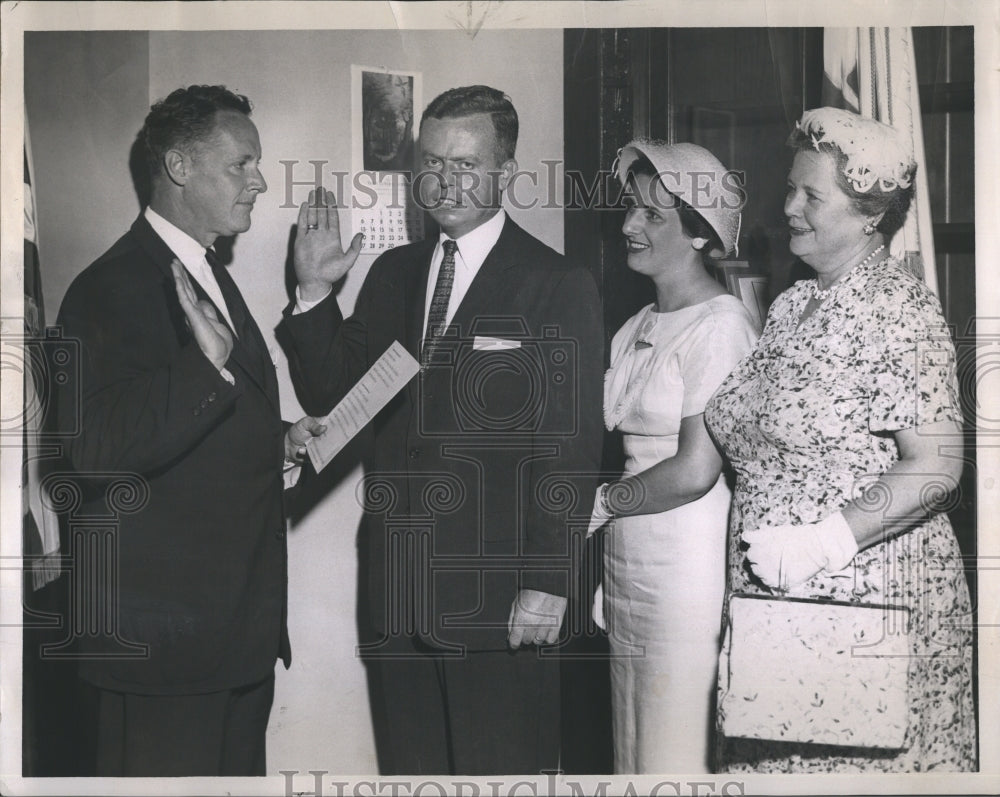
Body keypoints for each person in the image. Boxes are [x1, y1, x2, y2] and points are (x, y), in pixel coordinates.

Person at [279, 85, 604, 775]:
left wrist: (550, 577)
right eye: (430, 161)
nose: (443, 180)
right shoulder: (393, 273)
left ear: (505, 173)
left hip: (501, 598)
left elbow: (568, 447)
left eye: (465, 163)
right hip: (398, 593)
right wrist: (312, 295)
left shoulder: (557, 281)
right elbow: (333, 396)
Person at [55, 85, 325, 776]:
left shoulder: (205, 270)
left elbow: (203, 431)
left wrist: (280, 437)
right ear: (178, 167)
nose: (261, 180)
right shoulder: (108, 286)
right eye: (242, 164)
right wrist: (203, 370)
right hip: (162, 656)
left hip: (231, 641)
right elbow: (95, 448)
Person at [704, 107, 976, 772]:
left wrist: (820, 540)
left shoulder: (897, 308)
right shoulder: (793, 304)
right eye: (790, 188)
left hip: (864, 605)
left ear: (869, 213)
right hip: (784, 606)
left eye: (811, 195)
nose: (789, 205)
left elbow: (938, 464)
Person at [587, 141, 758, 773]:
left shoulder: (722, 327)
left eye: (652, 216)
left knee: (672, 748)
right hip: (628, 554)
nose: (630, 225)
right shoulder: (633, 326)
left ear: (699, 234)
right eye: (632, 209)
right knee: (629, 743)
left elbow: (695, 469)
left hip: (686, 562)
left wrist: (601, 505)